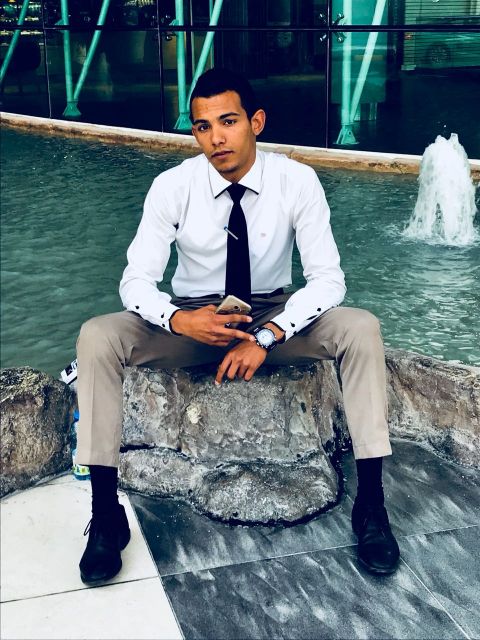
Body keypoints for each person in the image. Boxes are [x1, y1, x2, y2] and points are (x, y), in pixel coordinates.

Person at [75, 68, 400, 585]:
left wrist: (268, 337)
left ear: (256, 122)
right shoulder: (172, 186)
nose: (216, 138)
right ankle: (105, 514)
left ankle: (372, 505)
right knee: (98, 336)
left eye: (228, 122)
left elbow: (328, 280)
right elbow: (135, 282)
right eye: (202, 126)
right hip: (192, 321)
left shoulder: (297, 181)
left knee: (360, 328)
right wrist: (181, 318)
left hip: (271, 314)